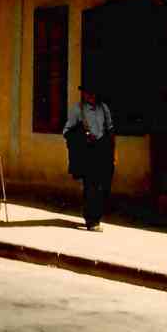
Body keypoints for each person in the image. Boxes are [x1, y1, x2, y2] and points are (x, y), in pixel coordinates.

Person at [62, 84, 116, 231]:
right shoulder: (77, 110)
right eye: (87, 93)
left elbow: (110, 130)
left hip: (103, 152)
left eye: (92, 94)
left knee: (103, 186)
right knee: (91, 186)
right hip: (88, 153)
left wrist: (112, 152)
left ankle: (96, 216)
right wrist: (82, 136)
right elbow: (67, 132)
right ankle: (91, 220)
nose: (90, 96)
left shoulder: (104, 108)